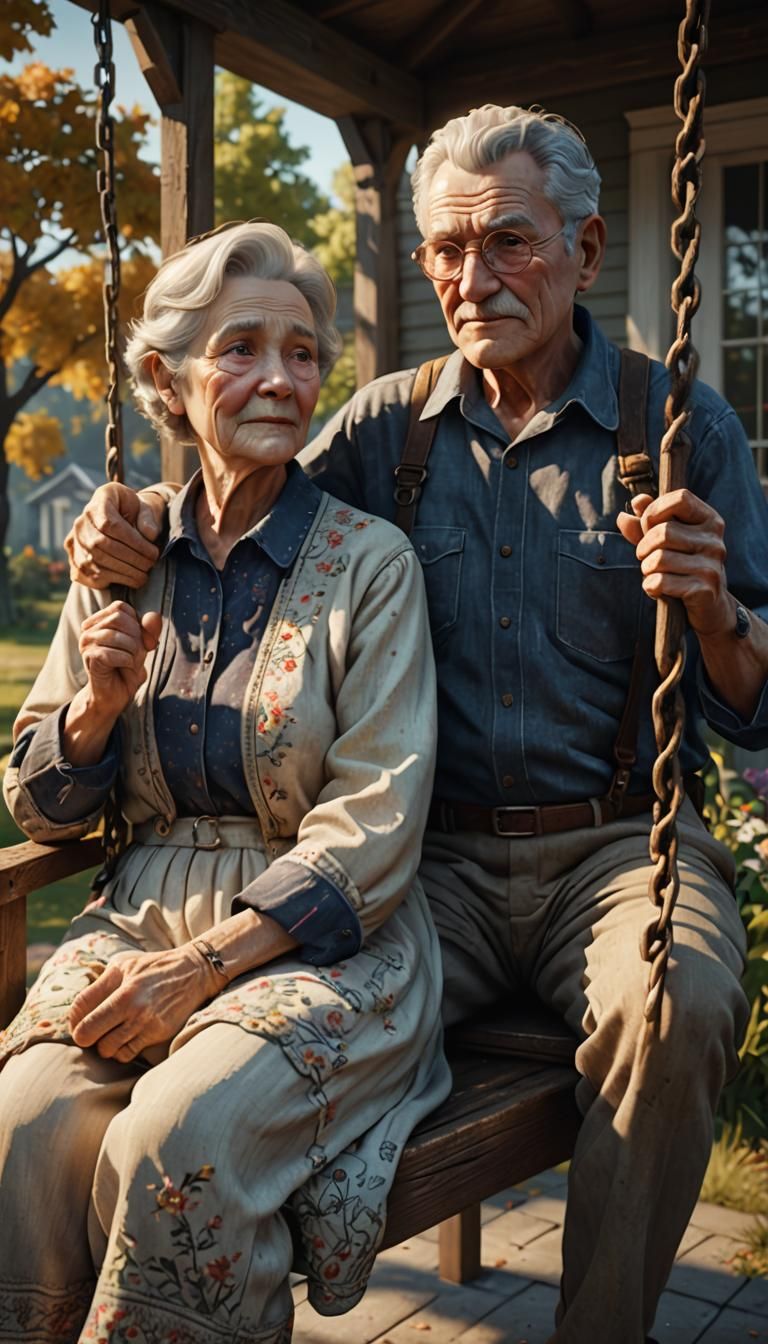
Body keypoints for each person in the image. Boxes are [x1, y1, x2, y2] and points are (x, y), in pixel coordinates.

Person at [64, 105, 768, 1344]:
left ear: (585, 249)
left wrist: (715, 614)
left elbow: (752, 708)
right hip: (424, 861)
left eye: (507, 242)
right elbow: (242, 506)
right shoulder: (384, 428)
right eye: (446, 249)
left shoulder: (679, 428)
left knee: (677, 1005)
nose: (470, 277)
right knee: (254, 1042)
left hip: (615, 848)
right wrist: (128, 527)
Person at [0, 221, 450, 1343]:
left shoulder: (370, 565)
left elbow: (375, 822)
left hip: (321, 941)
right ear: (167, 380)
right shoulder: (121, 555)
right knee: (23, 1119)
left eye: (301, 354)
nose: (282, 380)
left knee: (179, 1136)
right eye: (241, 348)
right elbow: (34, 799)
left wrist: (199, 972)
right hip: (139, 913)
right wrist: (96, 713)